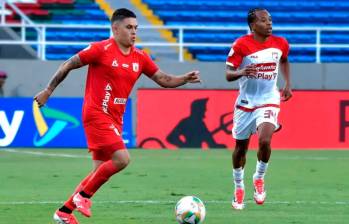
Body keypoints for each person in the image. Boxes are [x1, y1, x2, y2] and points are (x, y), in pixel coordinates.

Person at [34, 8, 201, 224]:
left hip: (115, 118)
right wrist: (48, 90)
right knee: (122, 159)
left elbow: (163, 79)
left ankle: (64, 213)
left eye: (136, 28)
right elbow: (68, 64)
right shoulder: (100, 49)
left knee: (96, 173)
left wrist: (184, 78)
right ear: (115, 28)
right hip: (96, 114)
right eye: (129, 27)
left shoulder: (140, 57)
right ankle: (82, 197)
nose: (133, 32)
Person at [225, 8, 292, 210]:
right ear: (253, 26)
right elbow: (228, 74)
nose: (269, 23)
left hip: (269, 99)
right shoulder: (241, 45)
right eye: (264, 20)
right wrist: (242, 71)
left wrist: (287, 84)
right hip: (246, 102)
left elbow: (284, 60)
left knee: (264, 139)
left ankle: (259, 178)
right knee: (240, 149)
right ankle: (238, 186)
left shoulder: (281, 43)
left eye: (270, 19)